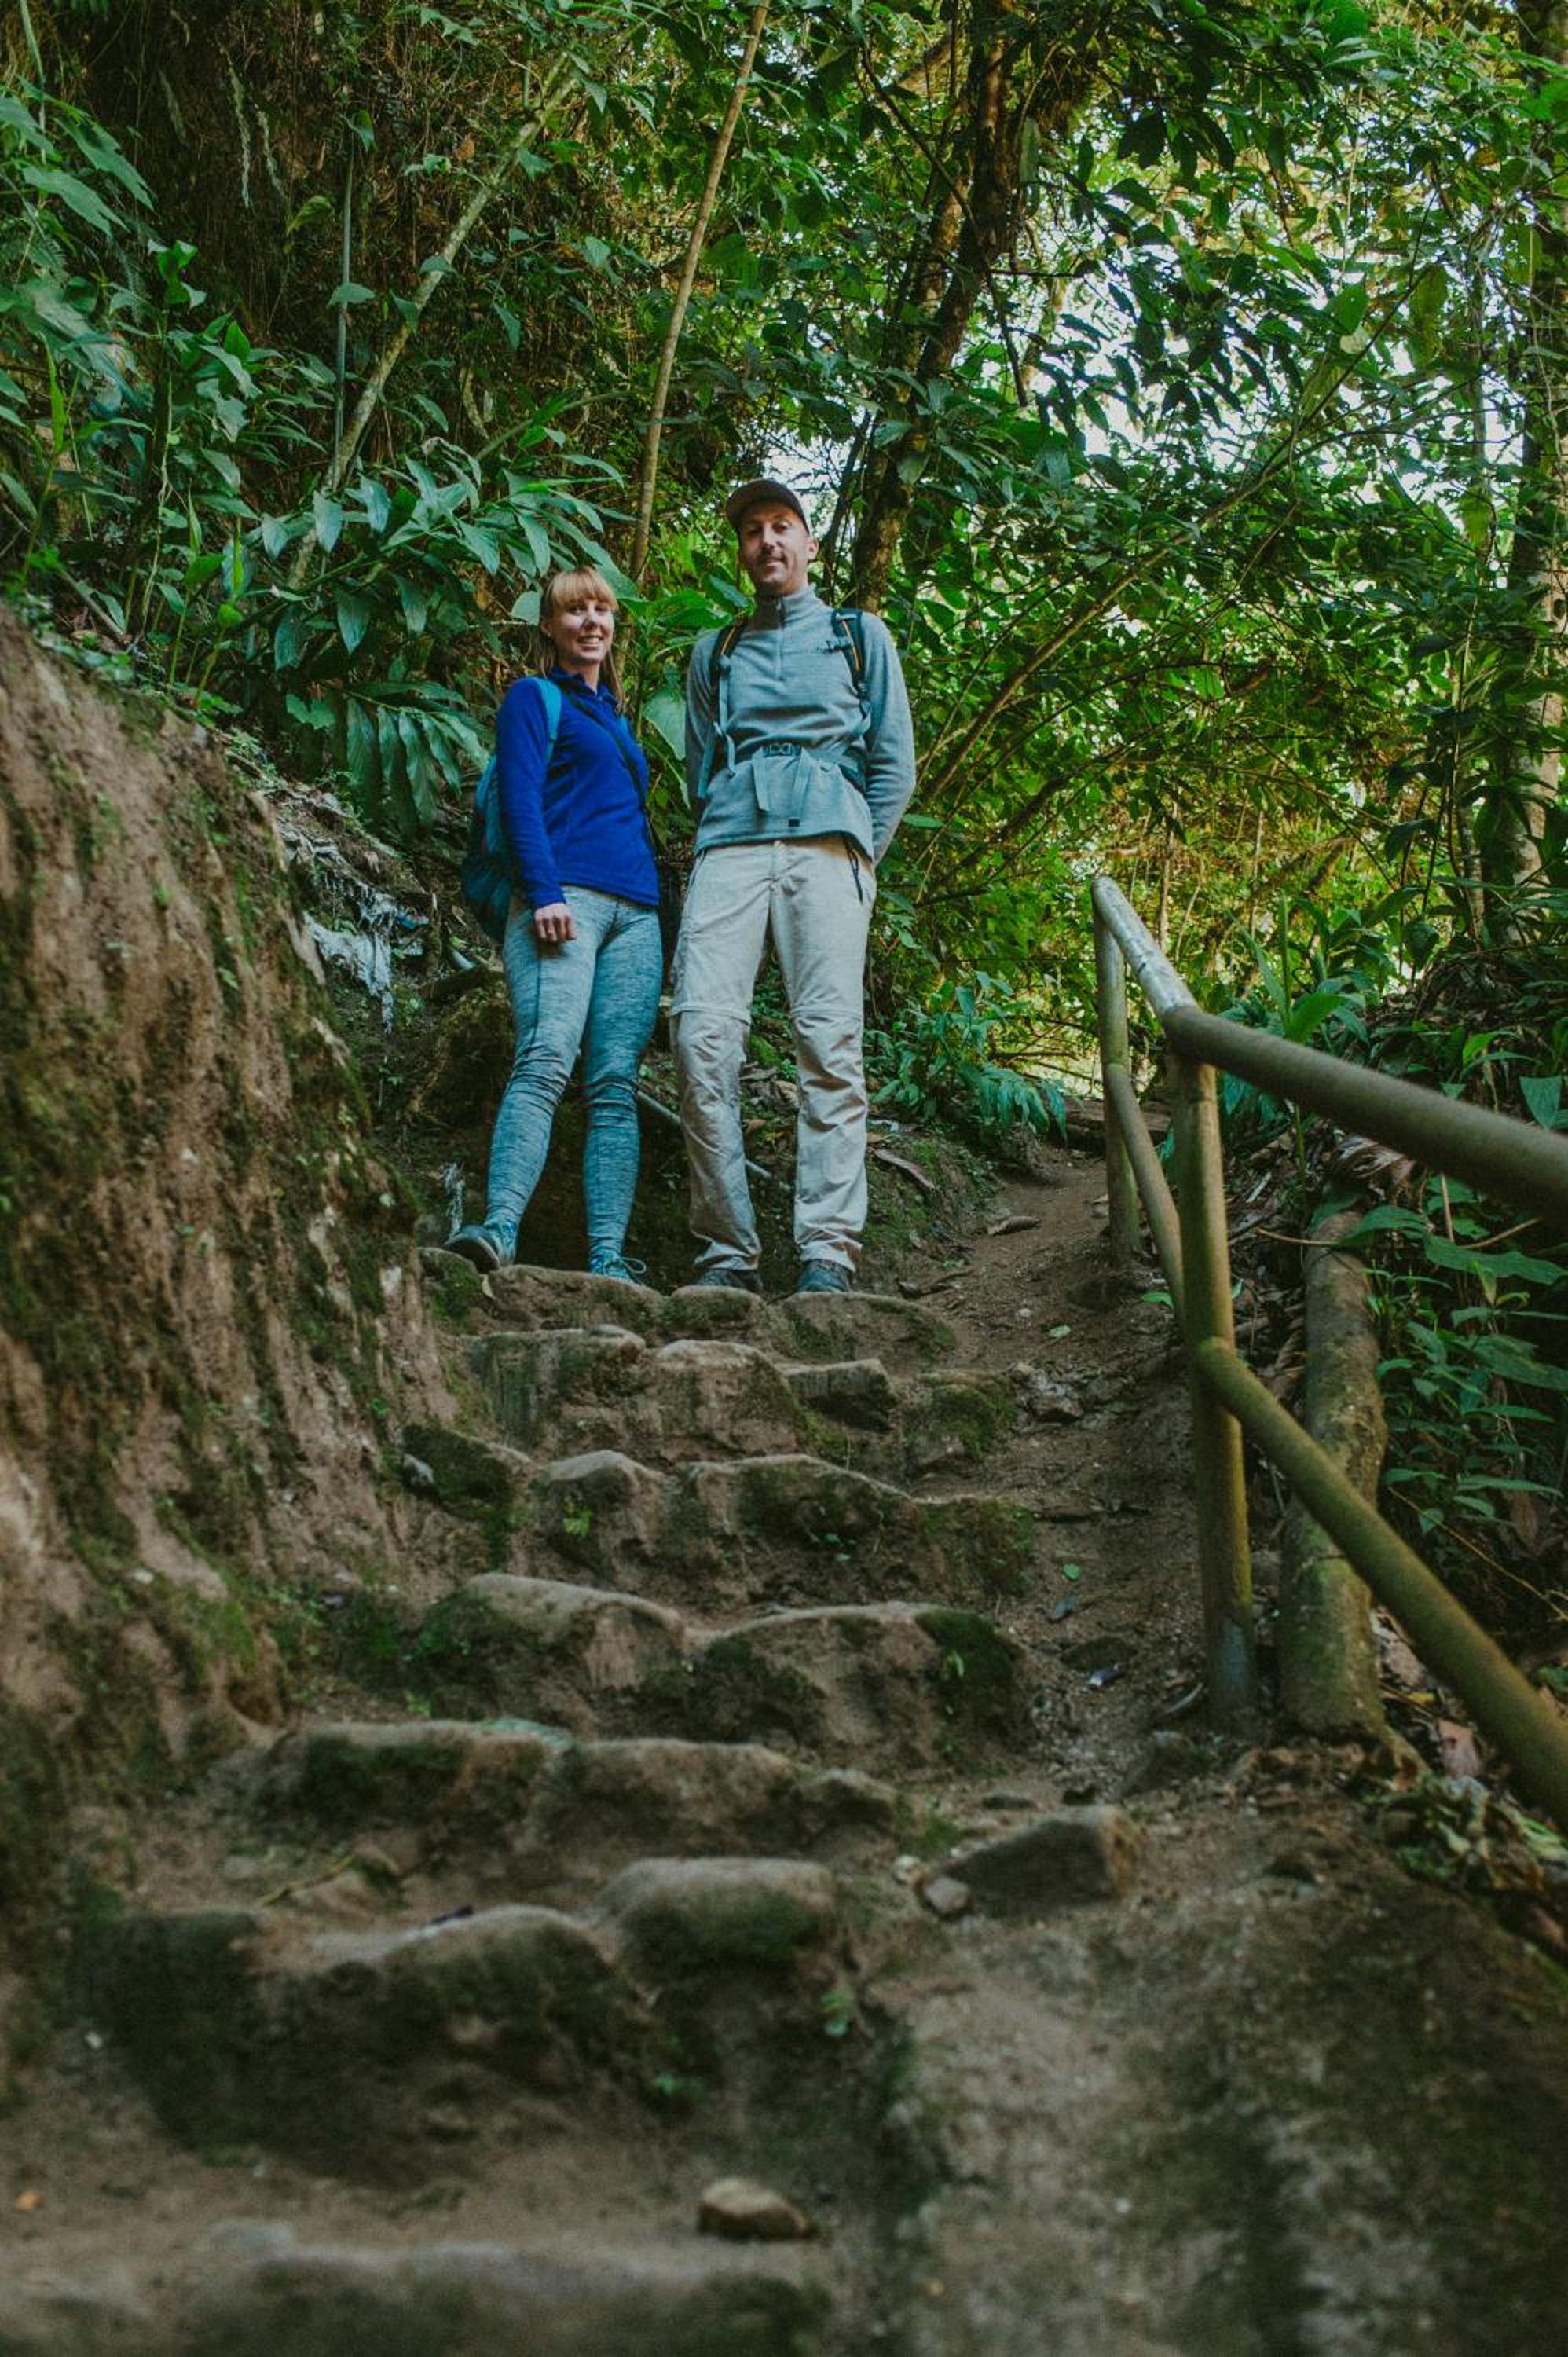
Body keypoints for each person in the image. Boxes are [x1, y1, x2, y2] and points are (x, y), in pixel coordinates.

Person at [672, 479, 915, 1295]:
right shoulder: (715, 651)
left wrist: (859, 855)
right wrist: (727, 824)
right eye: (752, 531)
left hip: (829, 849)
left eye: (782, 526)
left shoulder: (858, 635)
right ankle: (726, 1252)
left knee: (829, 1044)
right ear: (742, 553)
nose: (767, 541)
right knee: (700, 1037)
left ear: (811, 545)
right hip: (730, 847)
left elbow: (894, 764)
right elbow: (700, 767)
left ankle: (827, 1251)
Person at [448, 566, 661, 1282]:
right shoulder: (533, 697)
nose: (592, 622)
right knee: (545, 1058)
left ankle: (608, 1258)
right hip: (562, 899)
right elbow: (519, 799)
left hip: (637, 915)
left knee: (615, 1085)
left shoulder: (618, 722)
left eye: (602, 609)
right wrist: (542, 891)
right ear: (549, 626)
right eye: (575, 611)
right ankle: (499, 1229)